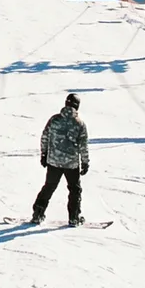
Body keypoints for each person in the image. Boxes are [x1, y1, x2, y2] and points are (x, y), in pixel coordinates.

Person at [30, 93, 90, 226]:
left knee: (49, 187)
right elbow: (83, 146)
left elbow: (44, 137)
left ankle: (37, 214)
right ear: (77, 106)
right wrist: (85, 162)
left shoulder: (54, 120)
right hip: (71, 164)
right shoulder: (79, 124)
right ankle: (74, 217)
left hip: (54, 162)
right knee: (74, 189)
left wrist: (44, 154)